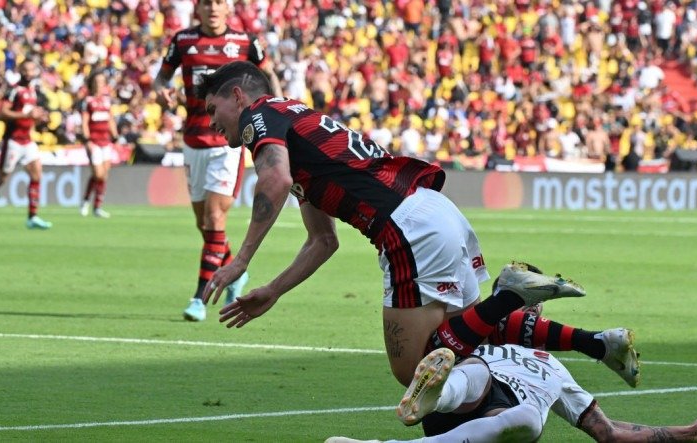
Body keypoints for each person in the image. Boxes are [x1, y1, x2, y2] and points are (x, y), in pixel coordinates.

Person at [195, 62, 637, 391]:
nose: (212, 124)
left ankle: (509, 295)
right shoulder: (298, 126)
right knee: (465, 337)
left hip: (405, 227)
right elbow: (322, 241)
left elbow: (274, 179)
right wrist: (273, 289)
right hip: (433, 210)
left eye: (213, 109)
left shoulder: (261, 114)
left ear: (237, 95)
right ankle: (598, 343)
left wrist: (242, 260)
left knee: (414, 369)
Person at [153, 0, 283, 321]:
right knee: (205, 224)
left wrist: (277, 109)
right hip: (193, 139)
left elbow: (269, 76)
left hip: (229, 141)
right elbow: (161, 79)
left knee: (214, 218)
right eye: (207, 3)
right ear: (197, 9)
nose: (213, 8)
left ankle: (199, 297)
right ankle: (235, 274)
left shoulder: (245, 43)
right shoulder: (183, 41)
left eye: (219, 3)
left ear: (228, 9)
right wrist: (161, 91)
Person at [325, 346, 697, 443]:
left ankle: (438, 396)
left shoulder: (548, 364)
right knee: (475, 375)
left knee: (515, 410)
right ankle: (437, 393)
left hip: (495, 409)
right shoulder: (497, 338)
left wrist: (686, 432)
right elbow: (609, 433)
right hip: (480, 398)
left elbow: (609, 433)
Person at [0, 59, 53, 231]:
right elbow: (2, 113)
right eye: (25, 70)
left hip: (27, 140)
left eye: (31, 70)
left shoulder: (32, 91)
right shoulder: (15, 91)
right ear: (20, 71)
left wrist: (39, 117)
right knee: (2, 177)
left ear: (35, 72)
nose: (28, 73)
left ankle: (32, 216)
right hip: (13, 141)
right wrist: (27, 115)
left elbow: (29, 115)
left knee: (37, 175)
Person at [79, 70, 118, 219]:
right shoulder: (87, 101)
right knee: (98, 174)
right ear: (92, 83)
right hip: (94, 142)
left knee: (103, 175)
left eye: (102, 82)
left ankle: (97, 207)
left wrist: (115, 135)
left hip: (106, 141)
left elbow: (110, 119)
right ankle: (85, 201)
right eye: (97, 82)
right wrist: (87, 139)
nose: (99, 85)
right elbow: (84, 122)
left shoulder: (107, 100)